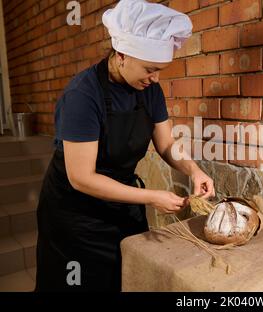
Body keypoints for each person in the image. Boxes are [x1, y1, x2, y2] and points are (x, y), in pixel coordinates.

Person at [35, 0, 215, 291]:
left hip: (122, 204)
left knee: (130, 275)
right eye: (150, 69)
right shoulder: (83, 95)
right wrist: (151, 197)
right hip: (78, 216)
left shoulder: (150, 90)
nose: (156, 78)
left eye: (160, 70)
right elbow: (81, 178)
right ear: (121, 55)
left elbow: (167, 143)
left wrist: (194, 170)